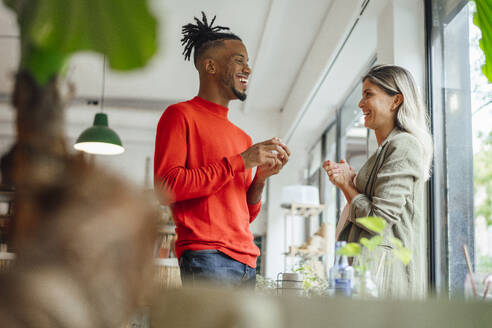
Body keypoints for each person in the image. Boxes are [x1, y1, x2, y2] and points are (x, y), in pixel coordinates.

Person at [154, 12, 290, 288]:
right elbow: (166, 187)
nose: (248, 69)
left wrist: (260, 180)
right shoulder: (180, 115)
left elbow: (245, 214)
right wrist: (240, 161)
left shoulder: (242, 137)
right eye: (239, 60)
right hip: (206, 256)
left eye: (248, 62)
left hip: (247, 261)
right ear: (210, 67)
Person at [323, 64, 433, 298]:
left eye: (368, 94)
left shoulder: (404, 145)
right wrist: (352, 180)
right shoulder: (386, 149)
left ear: (396, 101)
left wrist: (347, 185)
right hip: (373, 275)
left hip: (385, 281)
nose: (361, 103)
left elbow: (378, 220)